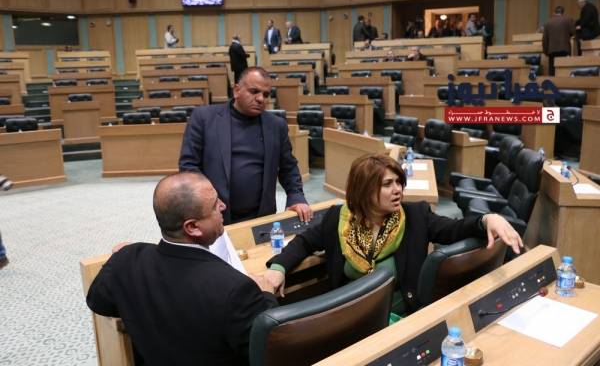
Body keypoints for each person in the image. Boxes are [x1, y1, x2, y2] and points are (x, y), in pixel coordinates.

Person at [262, 154, 524, 315]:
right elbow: (305, 241)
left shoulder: (416, 216)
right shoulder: (338, 219)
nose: (398, 189)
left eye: (399, 182)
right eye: (388, 184)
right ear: (364, 190)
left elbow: (454, 228)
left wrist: (488, 218)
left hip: (399, 315)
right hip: (348, 314)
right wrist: (278, 268)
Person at [86, 172, 278, 365]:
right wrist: (267, 295)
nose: (223, 206)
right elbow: (270, 349)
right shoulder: (235, 288)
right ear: (192, 227)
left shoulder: (127, 260)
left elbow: (97, 302)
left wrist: (120, 259)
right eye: (214, 205)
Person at [179, 66, 312, 224]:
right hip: (213, 215)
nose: (261, 99)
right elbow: (189, 166)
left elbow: (288, 167)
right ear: (237, 90)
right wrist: (208, 199)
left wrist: (296, 196)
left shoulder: (276, 125)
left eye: (266, 94)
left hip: (261, 217)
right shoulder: (204, 118)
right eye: (254, 91)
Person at [543, 6, 575, 76]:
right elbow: (573, 32)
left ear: (554, 13)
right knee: (564, 70)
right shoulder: (568, 20)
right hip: (564, 49)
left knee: (552, 72)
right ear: (563, 12)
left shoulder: (548, 22)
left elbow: (545, 38)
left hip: (552, 50)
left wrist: (545, 51)